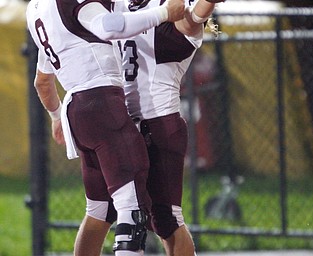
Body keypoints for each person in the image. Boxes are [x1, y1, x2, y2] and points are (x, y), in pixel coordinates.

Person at [25, 0, 185, 255]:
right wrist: (165, 12)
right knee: (132, 207)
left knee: (100, 209)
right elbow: (109, 26)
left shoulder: (36, 8)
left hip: (77, 111)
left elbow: (42, 82)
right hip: (102, 105)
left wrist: (57, 117)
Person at [121, 0, 226, 255]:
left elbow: (192, 19)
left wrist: (208, 3)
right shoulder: (122, 5)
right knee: (119, 210)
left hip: (158, 121)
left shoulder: (173, 9)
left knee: (166, 218)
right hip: (124, 121)